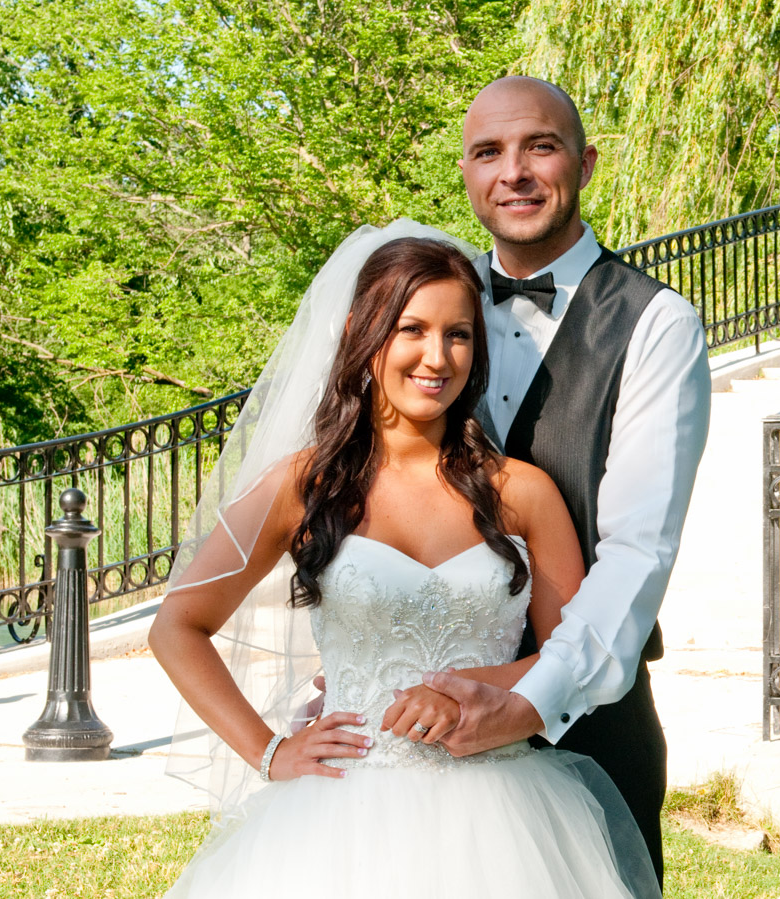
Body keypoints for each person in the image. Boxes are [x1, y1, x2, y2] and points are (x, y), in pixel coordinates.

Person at [149, 226, 659, 898]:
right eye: (411, 329)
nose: (436, 356)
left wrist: (482, 684)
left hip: (503, 818)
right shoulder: (302, 486)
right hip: (340, 815)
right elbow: (176, 627)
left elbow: (573, 649)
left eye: (458, 333)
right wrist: (269, 751)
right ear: (365, 334)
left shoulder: (522, 491)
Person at [414, 75, 713, 885]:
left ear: (583, 163)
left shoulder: (656, 324)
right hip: (421, 720)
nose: (512, 171)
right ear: (468, 175)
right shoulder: (431, 310)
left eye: (538, 146)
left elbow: (637, 552)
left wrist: (528, 702)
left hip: (588, 721)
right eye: (488, 152)